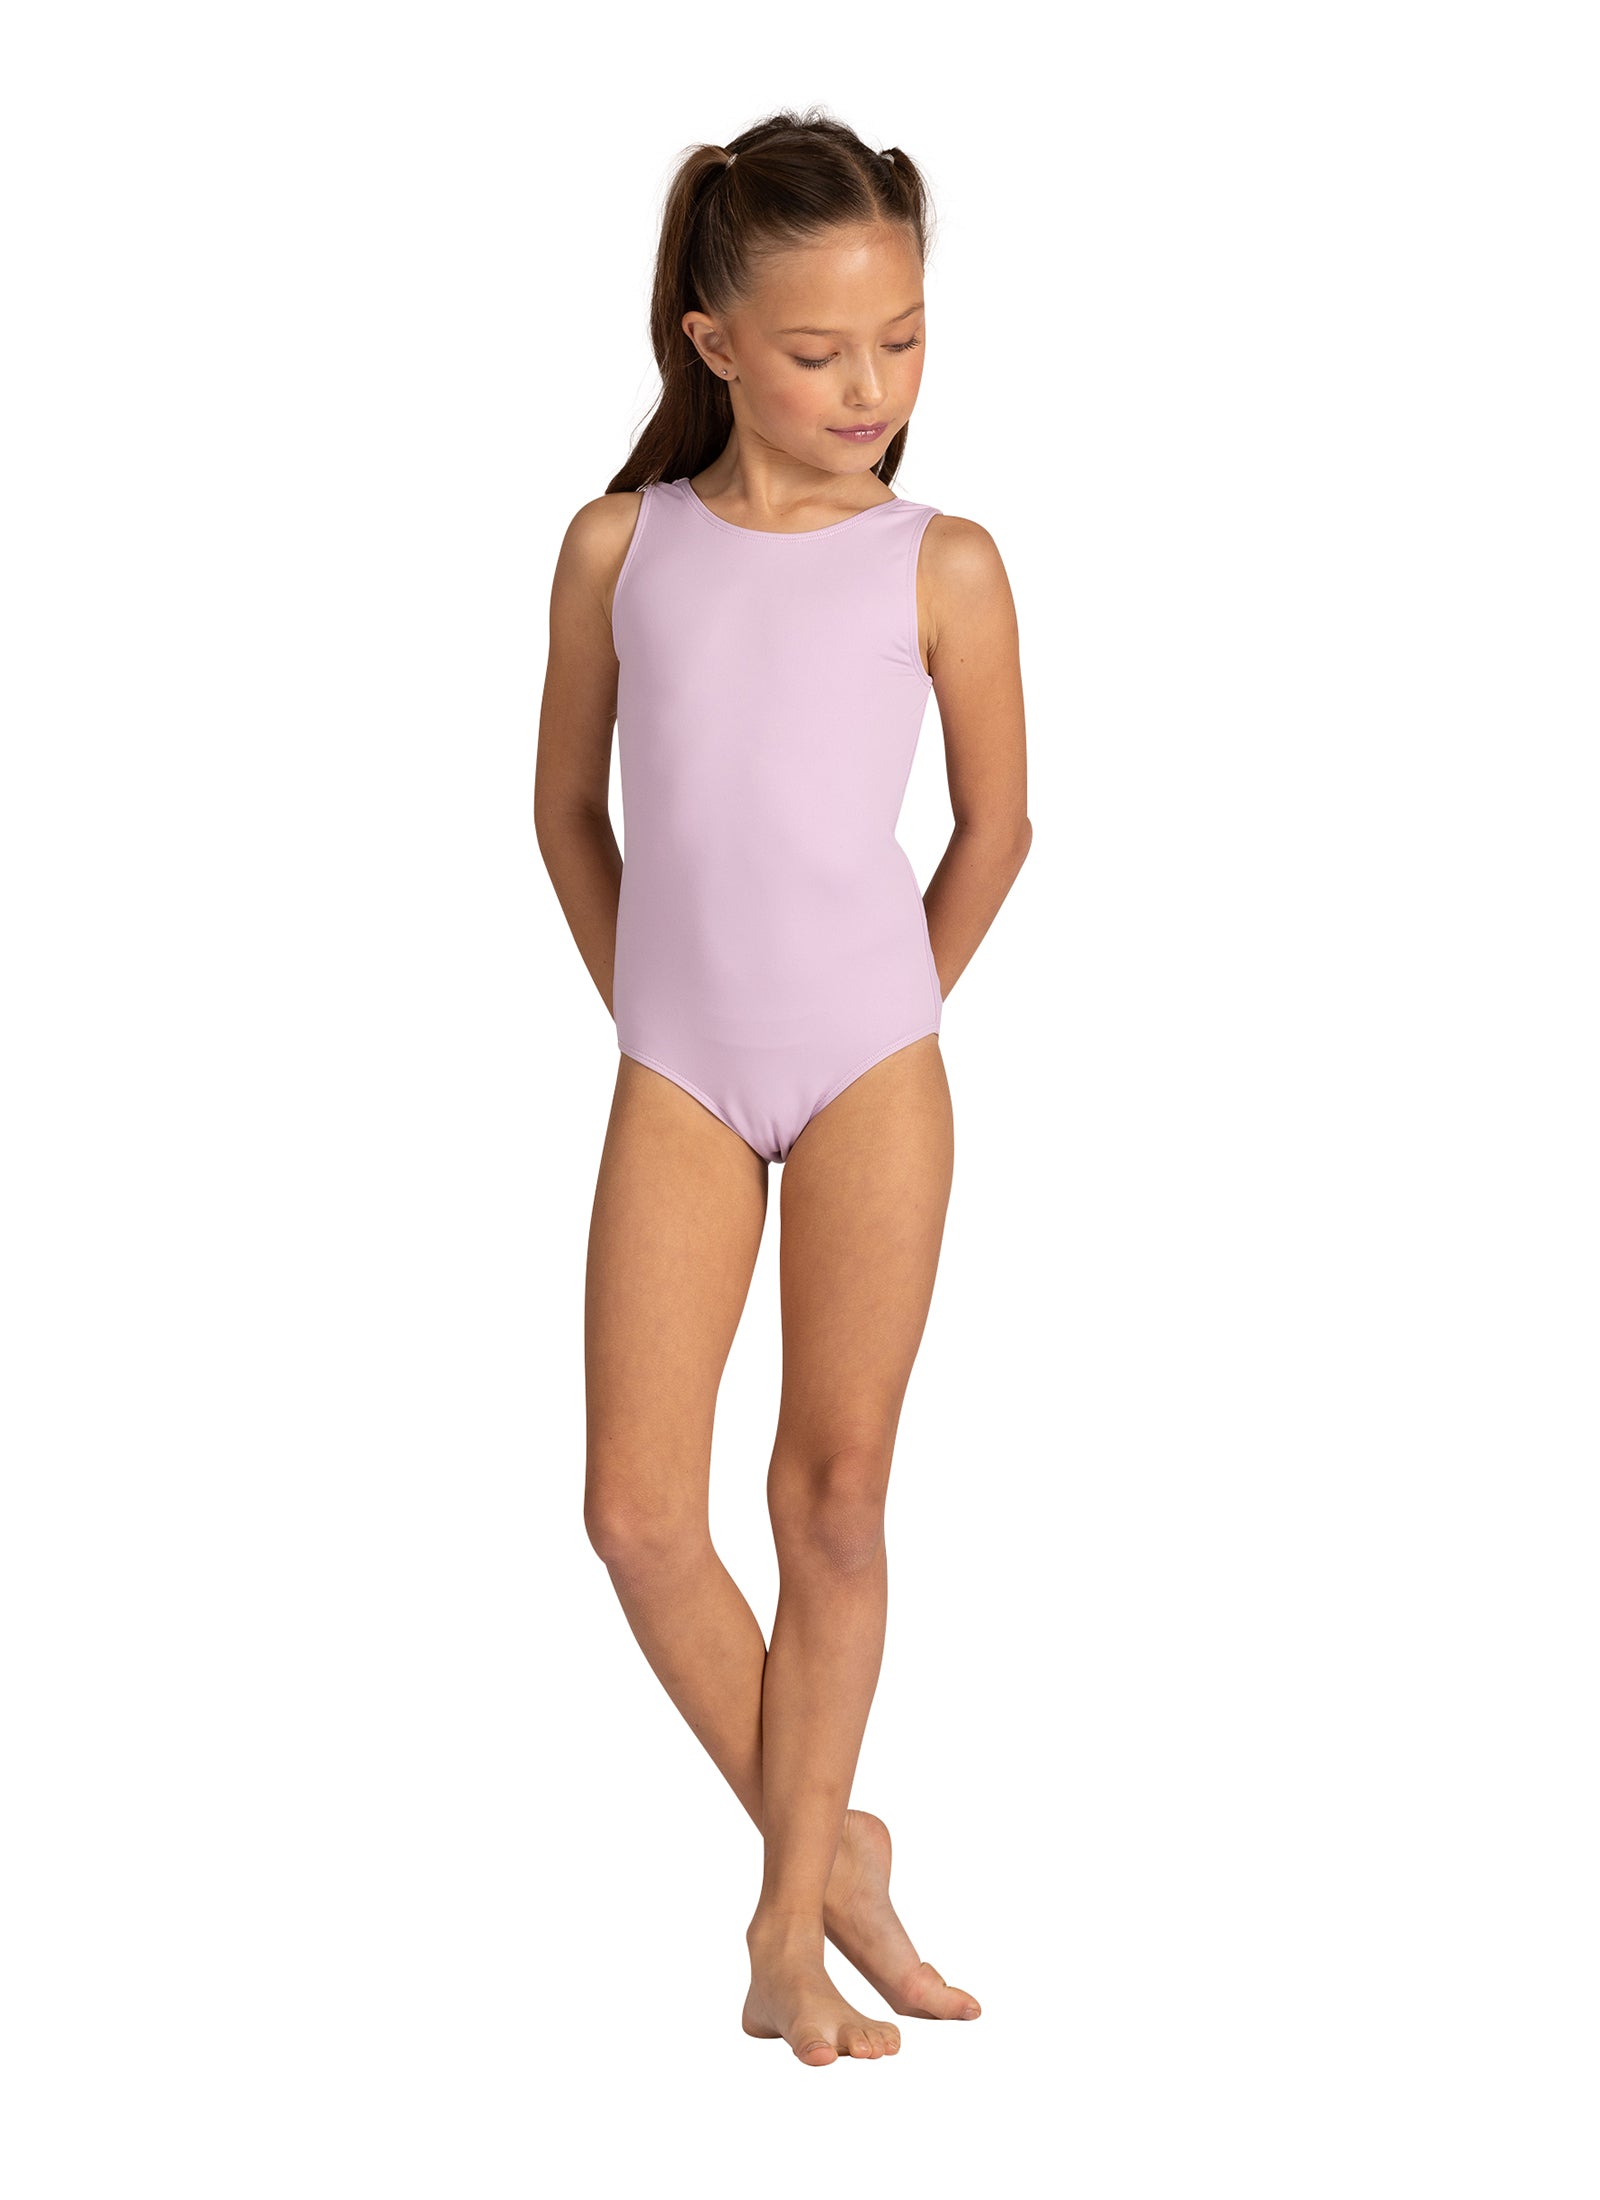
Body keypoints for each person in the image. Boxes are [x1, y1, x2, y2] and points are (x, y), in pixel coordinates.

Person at [534, 107, 1032, 2068]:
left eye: (900, 340)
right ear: (714, 340)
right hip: (672, 1064)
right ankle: (841, 1854)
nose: (869, 388)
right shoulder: (618, 547)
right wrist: (653, 1004)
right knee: (635, 1511)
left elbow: (997, 827)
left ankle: (780, 1921)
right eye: (821, 351)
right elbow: (565, 812)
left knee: (828, 1497)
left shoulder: (943, 562)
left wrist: (881, 1008)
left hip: (870, 1071)